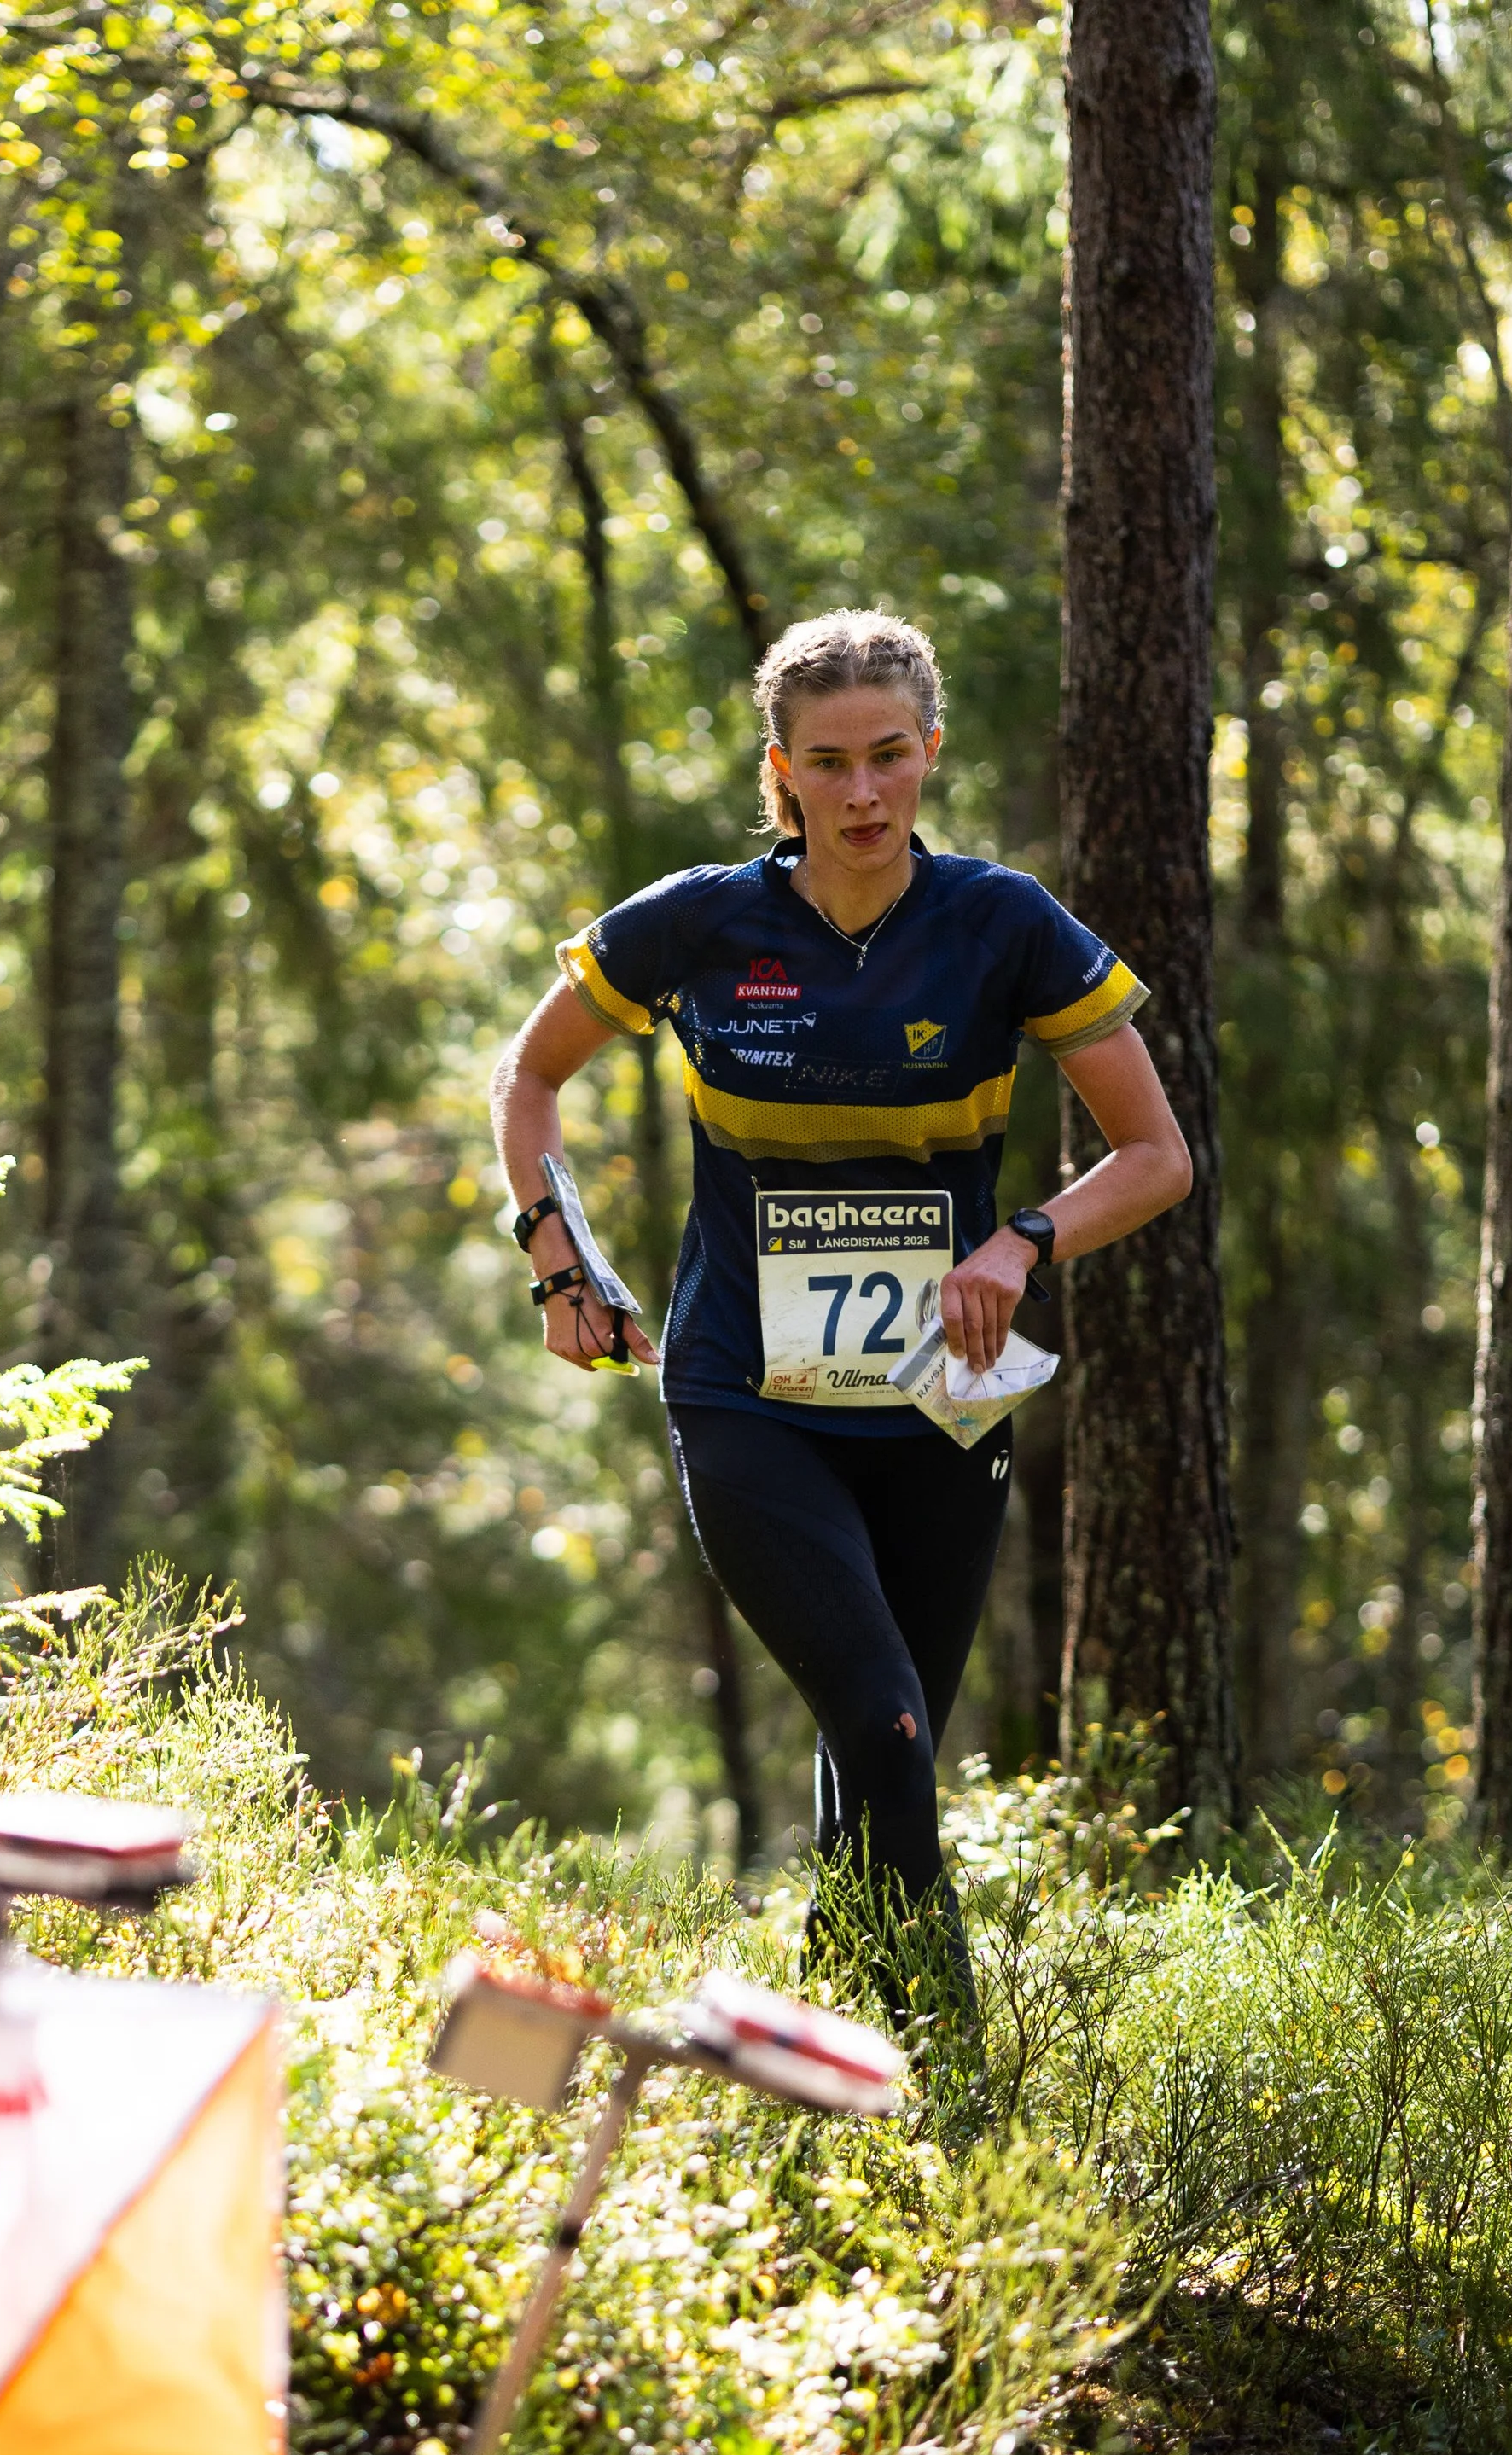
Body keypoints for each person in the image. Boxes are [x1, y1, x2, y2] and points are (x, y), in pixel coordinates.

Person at [490, 609, 1192, 2019]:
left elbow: (1157, 1156)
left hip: (940, 1393)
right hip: (745, 1389)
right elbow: (529, 1079)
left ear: (930, 752)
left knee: (884, 1752)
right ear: (782, 773)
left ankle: (825, 2058)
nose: (862, 793)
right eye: (827, 763)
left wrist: (1022, 1243)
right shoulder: (700, 921)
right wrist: (562, 1265)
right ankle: (949, 2062)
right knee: (880, 1717)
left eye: (888, 756)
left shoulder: (1001, 922)